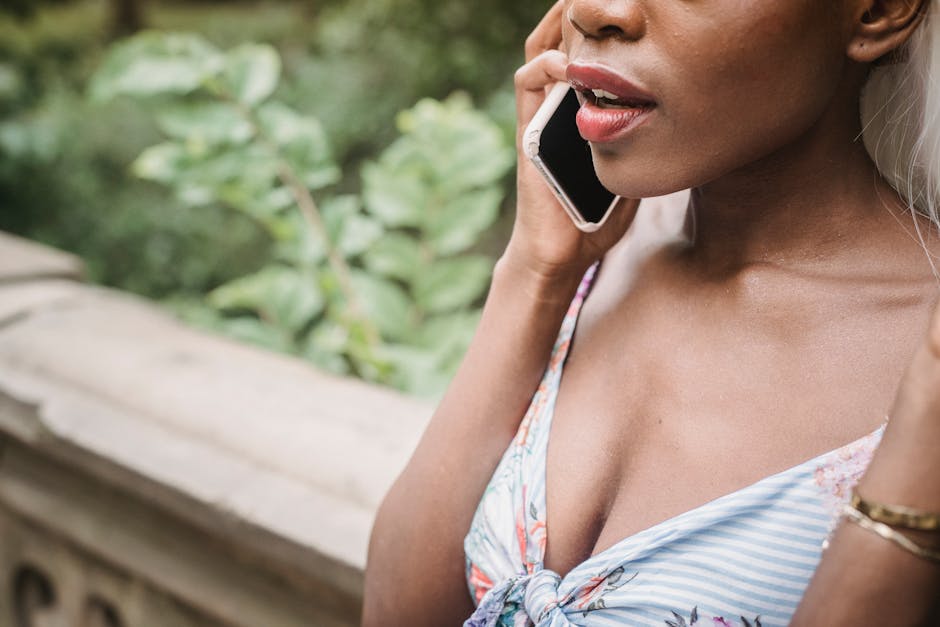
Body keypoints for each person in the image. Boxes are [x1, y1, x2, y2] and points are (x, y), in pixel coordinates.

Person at [364, 0, 940, 624]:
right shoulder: (592, 260)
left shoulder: (926, 362)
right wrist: (534, 275)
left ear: (879, 10)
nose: (594, 11)